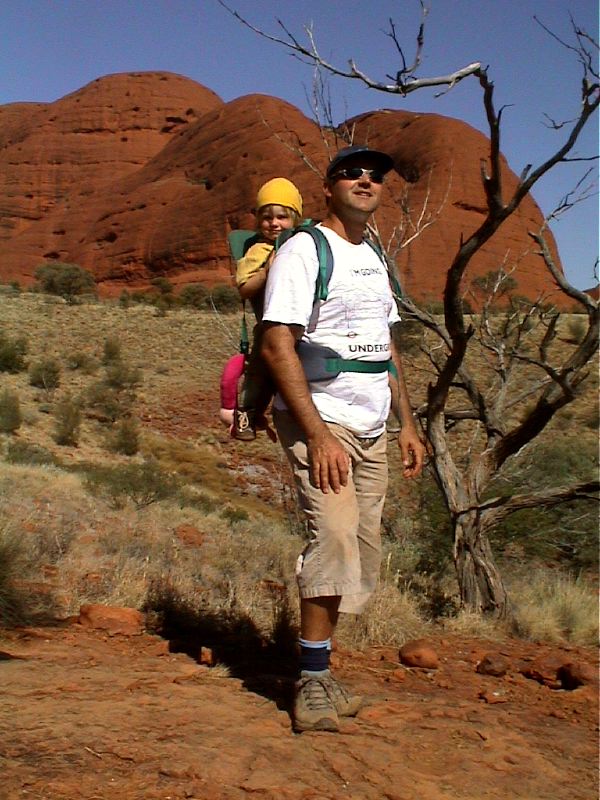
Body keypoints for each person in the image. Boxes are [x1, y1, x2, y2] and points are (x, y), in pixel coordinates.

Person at [261, 145, 425, 733]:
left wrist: (408, 423)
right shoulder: (305, 249)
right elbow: (276, 343)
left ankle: (323, 670)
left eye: (375, 176)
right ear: (328, 186)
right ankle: (310, 682)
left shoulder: (374, 256)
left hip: (373, 424)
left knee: (359, 548)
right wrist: (317, 434)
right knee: (331, 538)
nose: (365, 181)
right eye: (352, 173)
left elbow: (386, 346)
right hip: (321, 418)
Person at [233, 177, 303, 440]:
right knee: (259, 372)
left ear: (295, 218)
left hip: (301, 326)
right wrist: (266, 270)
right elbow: (244, 288)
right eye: (267, 218)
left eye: (282, 217)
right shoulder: (257, 251)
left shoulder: (303, 245)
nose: (274, 223)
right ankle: (247, 414)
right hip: (269, 324)